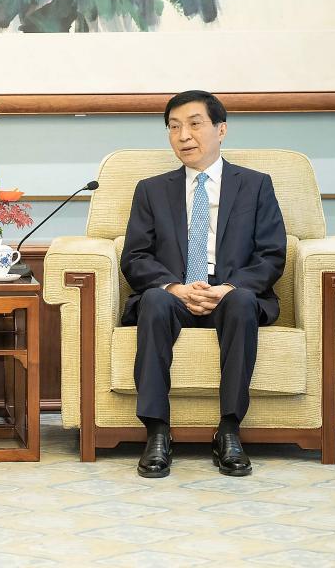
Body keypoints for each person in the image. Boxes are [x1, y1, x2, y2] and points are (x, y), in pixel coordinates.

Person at [120, 90, 286, 478]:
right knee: (153, 301)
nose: (183, 136)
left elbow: (271, 254)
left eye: (195, 124)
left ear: (221, 130)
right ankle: (157, 432)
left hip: (229, 293)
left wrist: (229, 287)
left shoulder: (256, 185)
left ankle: (229, 430)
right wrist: (172, 287)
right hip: (174, 294)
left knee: (242, 301)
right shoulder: (151, 190)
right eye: (174, 127)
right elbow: (136, 256)